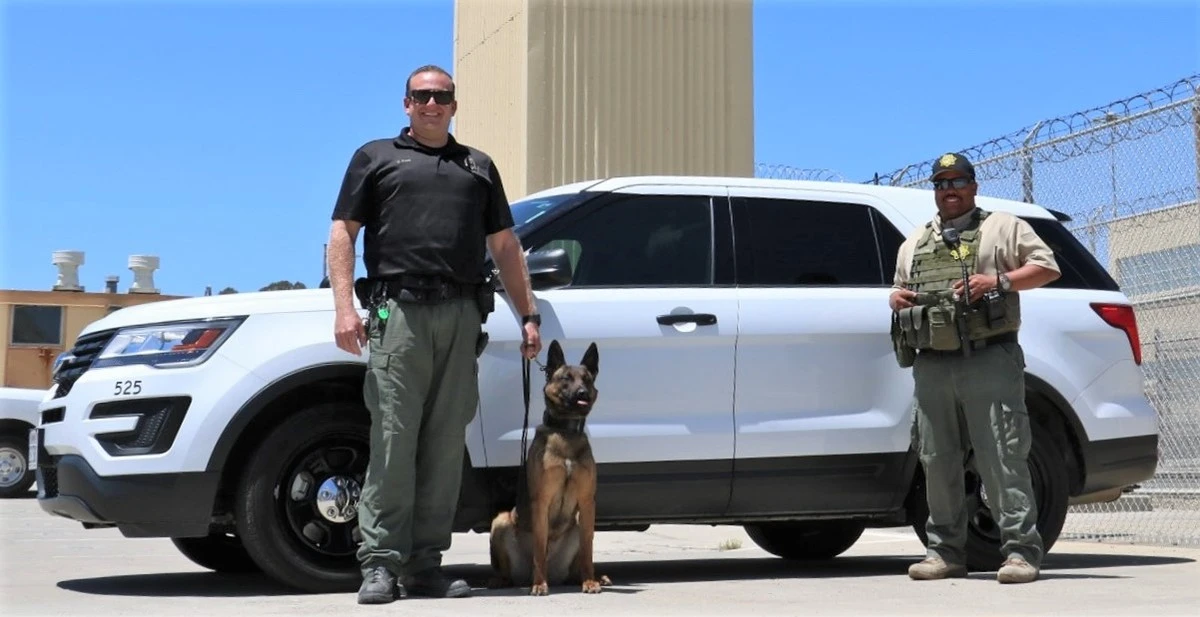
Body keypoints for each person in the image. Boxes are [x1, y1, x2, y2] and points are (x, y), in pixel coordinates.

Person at [326, 64, 543, 604]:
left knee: (445, 445)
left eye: (441, 96)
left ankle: (425, 566)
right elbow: (342, 234)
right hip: (397, 315)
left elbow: (506, 247)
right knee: (395, 440)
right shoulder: (374, 158)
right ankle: (380, 563)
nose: (431, 104)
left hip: (461, 315)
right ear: (405, 103)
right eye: (421, 96)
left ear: (454, 103)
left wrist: (529, 314)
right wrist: (343, 309)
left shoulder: (478, 167)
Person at [888, 152, 1061, 584]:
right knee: (937, 458)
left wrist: (997, 281)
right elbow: (899, 288)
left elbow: (1046, 267)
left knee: (1002, 455)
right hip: (932, 363)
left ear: (973, 185)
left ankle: (1021, 552)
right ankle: (945, 551)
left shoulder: (1002, 227)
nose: (949, 189)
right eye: (941, 183)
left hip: (987, 357)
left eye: (958, 181)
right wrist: (896, 299)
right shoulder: (914, 241)